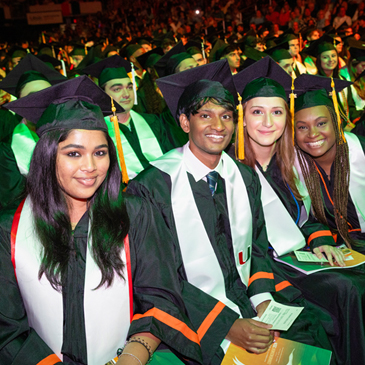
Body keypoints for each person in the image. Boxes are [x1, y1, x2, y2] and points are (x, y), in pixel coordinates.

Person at [127, 59, 334, 364]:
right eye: (205, 116)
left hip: (248, 301)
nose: (218, 126)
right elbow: (158, 279)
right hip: (193, 316)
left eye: (226, 116)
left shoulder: (245, 177)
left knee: (316, 333)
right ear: (185, 122)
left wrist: (263, 299)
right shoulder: (152, 188)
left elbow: (258, 247)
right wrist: (227, 326)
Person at [0, 76, 203, 365]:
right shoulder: (10, 230)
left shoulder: (135, 215)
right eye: (73, 153)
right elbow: (7, 327)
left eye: (100, 152)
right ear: (47, 157)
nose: (90, 167)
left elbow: (160, 297)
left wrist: (132, 357)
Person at [232, 57, 365, 365]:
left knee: (354, 284)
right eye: (257, 112)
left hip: (295, 257)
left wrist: (320, 238)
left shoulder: (287, 161)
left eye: (277, 112)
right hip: (261, 267)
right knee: (344, 291)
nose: (268, 122)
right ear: (242, 116)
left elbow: (305, 217)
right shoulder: (231, 167)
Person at [82, 55, 174, 180]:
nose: (126, 94)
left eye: (129, 87)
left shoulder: (153, 121)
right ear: (103, 94)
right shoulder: (98, 132)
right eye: (117, 89)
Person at [0, 54, 67, 210]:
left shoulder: (72, 135)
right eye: (33, 97)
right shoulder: (6, 151)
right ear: (20, 104)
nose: (42, 102)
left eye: (47, 95)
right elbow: (12, 204)